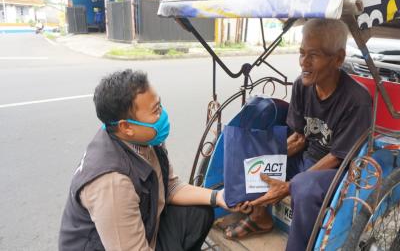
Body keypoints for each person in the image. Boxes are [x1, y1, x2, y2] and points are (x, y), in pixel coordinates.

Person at [224, 19, 373, 251]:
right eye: (302, 53)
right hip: (306, 159)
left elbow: (337, 157)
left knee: (302, 186)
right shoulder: (302, 86)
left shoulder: (357, 100)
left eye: (313, 55)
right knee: (256, 157)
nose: (304, 62)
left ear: (338, 58)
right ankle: (259, 216)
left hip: (338, 171)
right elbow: (298, 138)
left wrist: (289, 185)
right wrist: (265, 156)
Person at [59, 69, 230, 251]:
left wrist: (218, 197)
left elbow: (170, 187)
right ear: (126, 127)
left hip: (144, 231)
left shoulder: (144, 138)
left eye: (160, 105)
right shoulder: (112, 182)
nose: (162, 115)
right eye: (156, 111)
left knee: (199, 212)